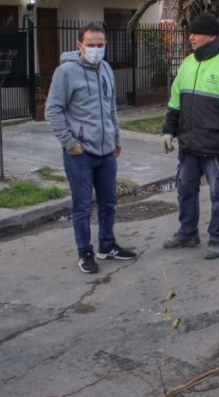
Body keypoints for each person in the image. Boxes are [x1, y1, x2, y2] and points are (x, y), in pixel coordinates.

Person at [161, 12, 219, 259]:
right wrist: (169, 130)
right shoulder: (188, 64)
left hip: (217, 148)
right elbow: (175, 101)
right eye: (189, 33)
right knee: (185, 191)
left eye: (196, 33)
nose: (190, 37)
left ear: (211, 35)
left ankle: (216, 238)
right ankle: (188, 233)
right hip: (189, 145)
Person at [46, 23, 135, 274]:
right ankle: (84, 251)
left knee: (109, 202)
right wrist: (69, 142)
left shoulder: (106, 68)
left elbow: (111, 108)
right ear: (79, 46)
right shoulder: (65, 72)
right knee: (83, 206)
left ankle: (107, 245)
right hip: (80, 154)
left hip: (106, 151)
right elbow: (53, 110)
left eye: (100, 45)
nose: (96, 49)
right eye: (91, 45)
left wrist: (116, 137)